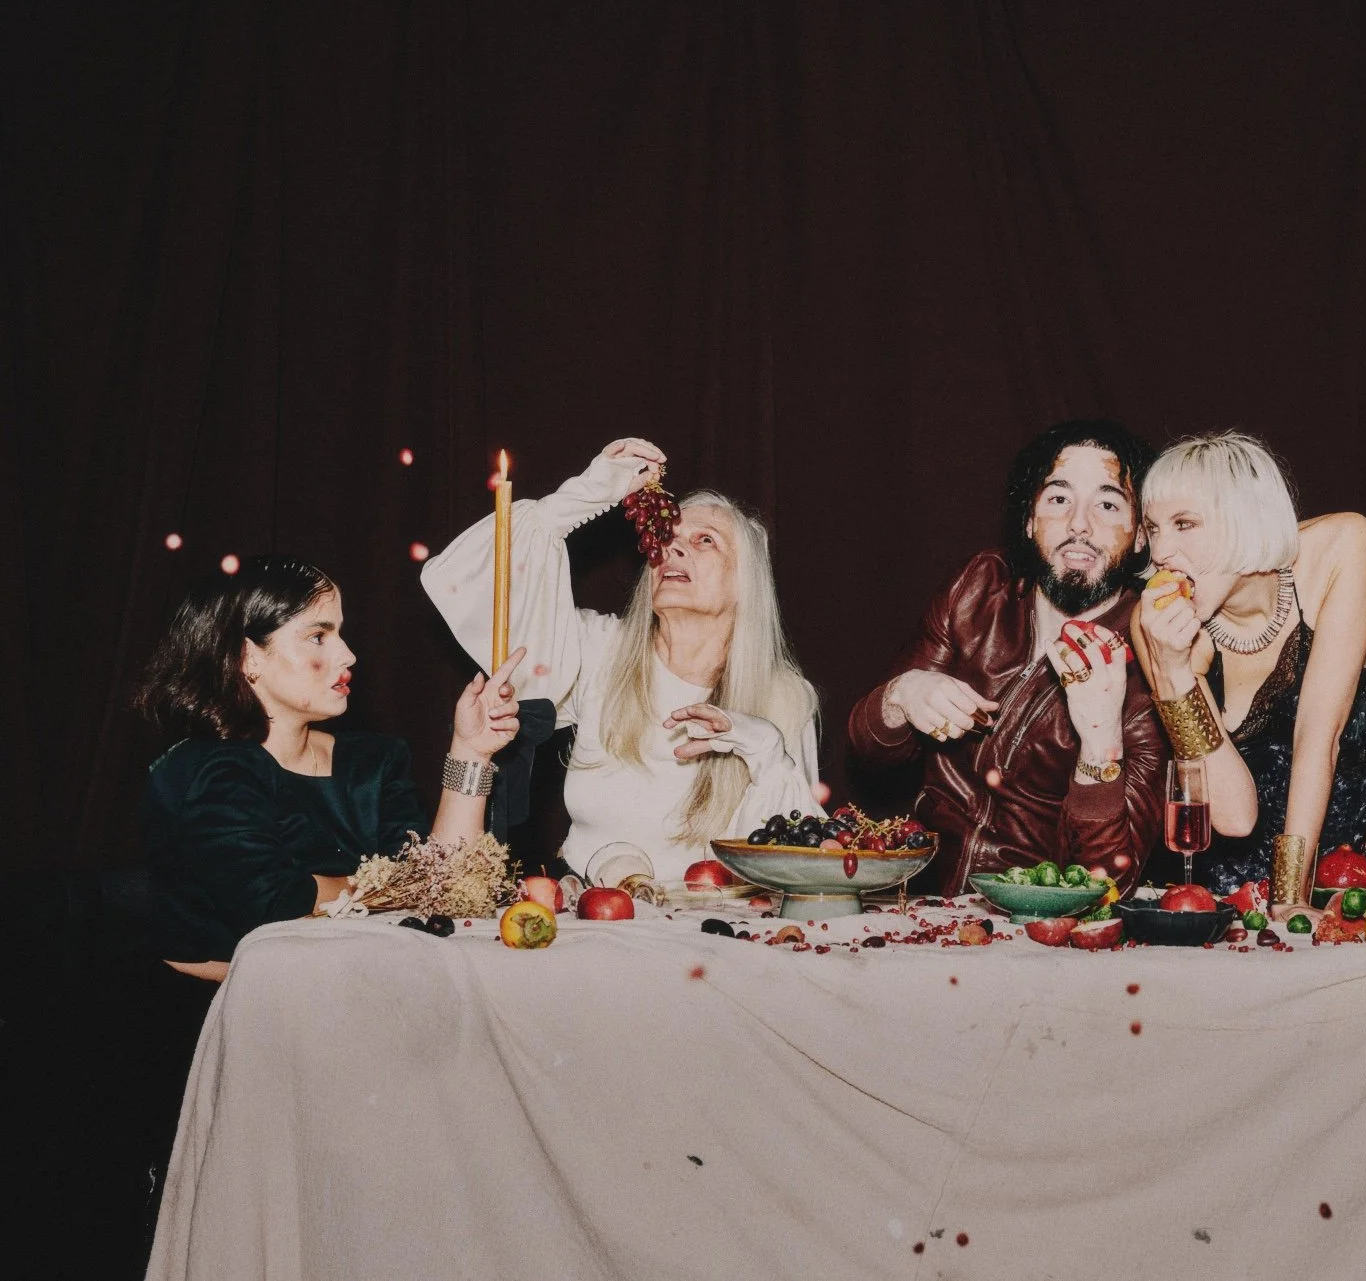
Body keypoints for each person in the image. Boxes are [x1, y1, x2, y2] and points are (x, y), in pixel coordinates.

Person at [422, 439, 820, 883]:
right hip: (592, 911)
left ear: (747, 583)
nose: (672, 549)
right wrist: (580, 497)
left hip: (719, 919)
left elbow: (804, 861)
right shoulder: (598, 650)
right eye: (666, 537)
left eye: (705, 540)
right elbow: (466, 584)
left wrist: (766, 751)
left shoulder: (784, 697)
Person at [137, 555, 523, 980]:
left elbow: (443, 890)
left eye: (340, 632)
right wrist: (387, 887)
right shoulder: (204, 771)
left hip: (361, 986)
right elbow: (276, 904)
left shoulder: (371, 762)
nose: (349, 655)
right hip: (233, 999)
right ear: (248, 657)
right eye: (318, 636)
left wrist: (471, 752)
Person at [848, 420, 1166, 894]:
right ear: (1029, 520)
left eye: (1107, 504)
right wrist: (902, 695)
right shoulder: (980, 587)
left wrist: (1100, 742)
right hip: (919, 900)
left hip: (1035, 920)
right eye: (1058, 498)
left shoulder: (1152, 658)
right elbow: (867, 752)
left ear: (1140, 535)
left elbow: (1109, 880)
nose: (1079, 524)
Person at [1130, 432, 1366, 909]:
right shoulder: (1155, 625)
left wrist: (1291, 897)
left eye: (1184, 524)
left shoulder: (1341, 546)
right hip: (1232, 882)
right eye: (1153, 528)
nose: (1160, 552)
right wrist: (1175, 673)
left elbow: (1319, 737)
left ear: (1247, 520)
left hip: (1364, 859)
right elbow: (1234, 817)